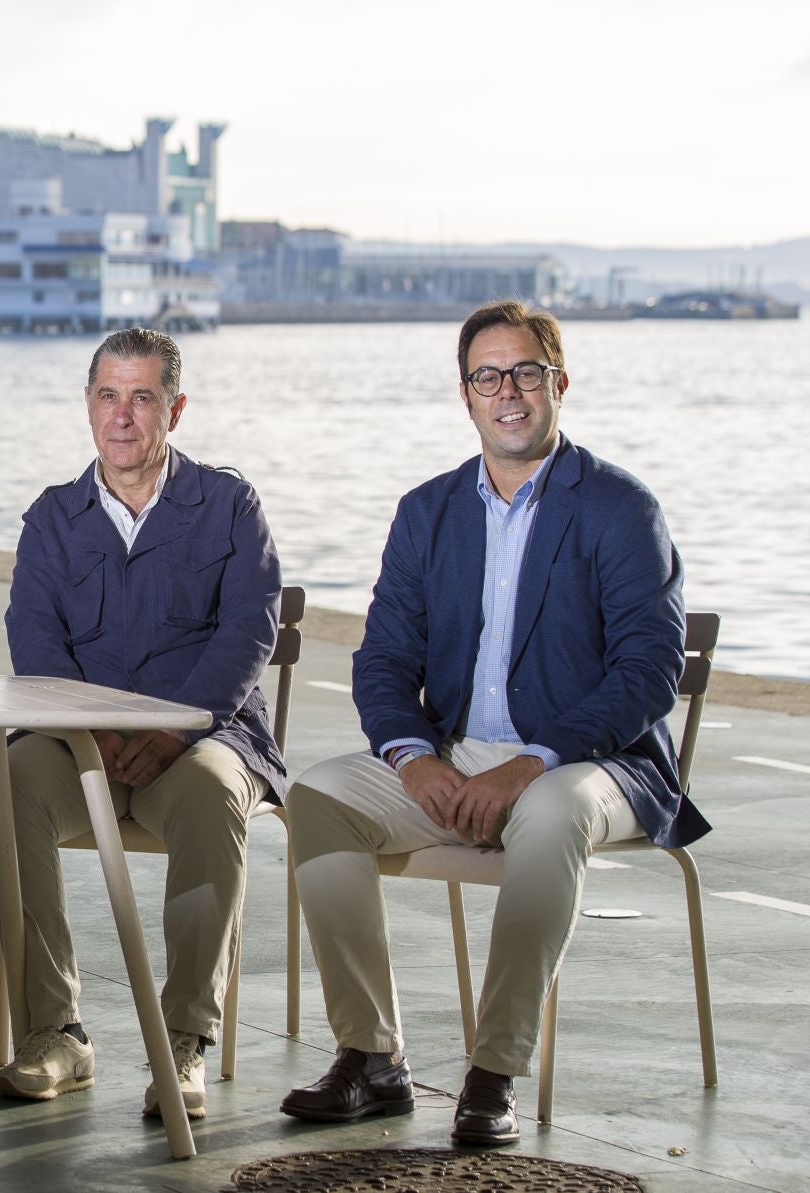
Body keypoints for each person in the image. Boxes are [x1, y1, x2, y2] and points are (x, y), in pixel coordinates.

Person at [279, 300, 704, 1147]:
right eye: (488, 376)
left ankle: (493, 1072)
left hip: (595, 762)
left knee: (551, 810)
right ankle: (372, 1057)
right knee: (318, 797)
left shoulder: (619, 508)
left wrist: (534, 759)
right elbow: (383, 660)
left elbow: (649, 670)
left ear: (559, 383)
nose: (508, 391)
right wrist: (411, 756)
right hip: (453, 755)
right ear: (466, 394)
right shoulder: (427, 511)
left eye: (525, 372)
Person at [0, 326, 284, 1120]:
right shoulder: (53, 518)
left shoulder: (228, 506)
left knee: (215, 796)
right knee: (7, 791)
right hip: (78, 741)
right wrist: (93, 733)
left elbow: (246, 634)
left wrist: (174, 732)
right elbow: (34, 644)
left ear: (174, 410)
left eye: (142, 398)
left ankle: (183, 1041)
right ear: (88, 404)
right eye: (108, 396)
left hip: (201, 739)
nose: (122, 416)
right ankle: (54, 1033)